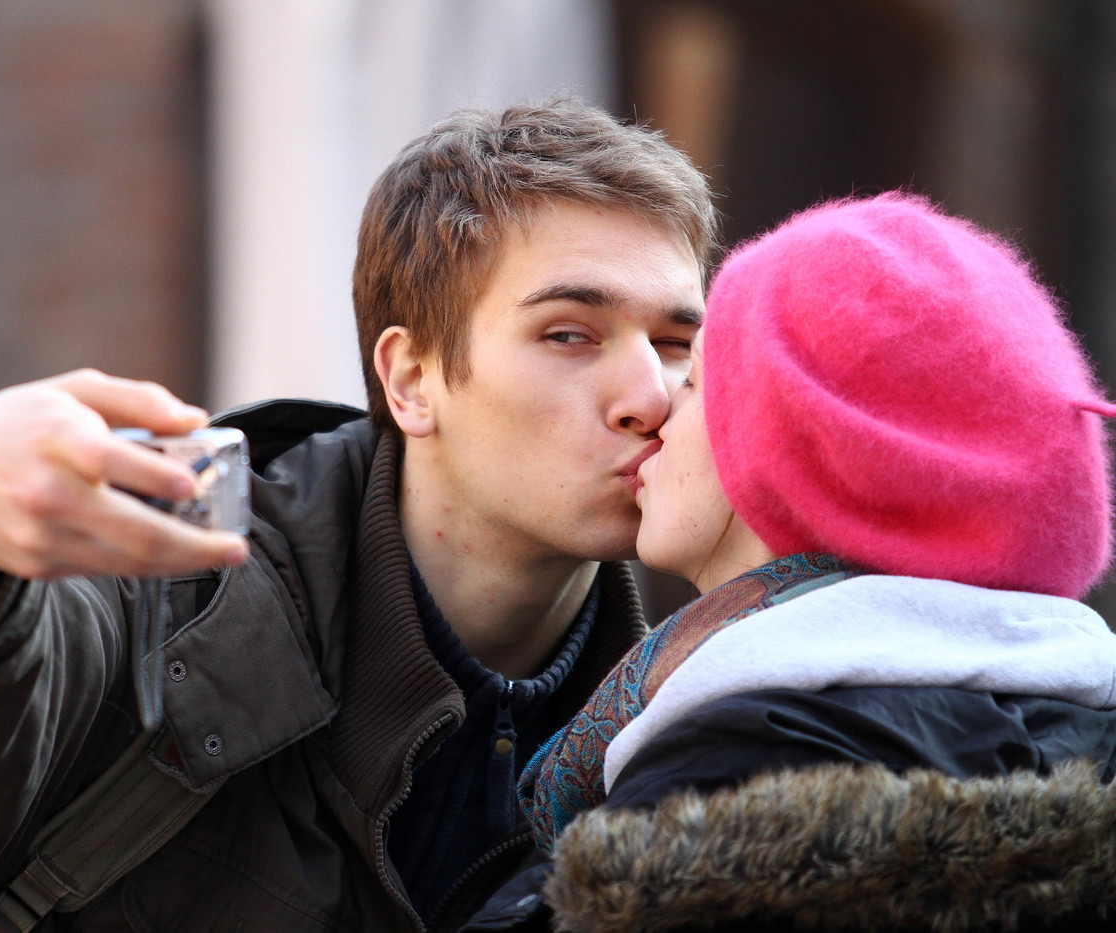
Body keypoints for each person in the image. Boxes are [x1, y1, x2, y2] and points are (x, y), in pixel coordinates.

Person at [0, 98, 718, 932]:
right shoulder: (163, 599)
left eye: (679, 342)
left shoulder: (699, 727)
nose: (651, 392)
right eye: (569, 334)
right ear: (411, 378)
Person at [467, 193, 1116, 932]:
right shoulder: (1077, 729)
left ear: (798, 446)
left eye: (701, 378)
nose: (655, 409)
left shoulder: (733, 776)